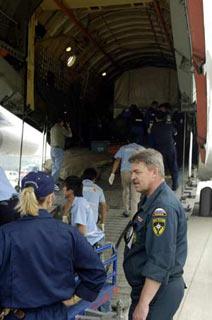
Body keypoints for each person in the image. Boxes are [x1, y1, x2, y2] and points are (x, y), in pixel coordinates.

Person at [0, 171, 106, 320]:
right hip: (55, 314)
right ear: (50, 198)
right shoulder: (67, 234)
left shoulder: (5, 233)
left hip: (18, 314)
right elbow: (97, 272)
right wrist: (75, 298)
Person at [123, 149, 187, 320]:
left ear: (154, 172)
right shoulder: (149, 200)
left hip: (158, 292)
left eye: (137, 172)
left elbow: (160, 259)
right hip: (150, 290)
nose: (132, 177)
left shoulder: (162, 208)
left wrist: (143, 304)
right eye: (132, 172)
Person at [63, 176, 105, 247]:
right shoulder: (78, 201)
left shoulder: (79, 205)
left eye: (64, 186)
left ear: (71, 190)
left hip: (92, 242)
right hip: (91, 240)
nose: (62, 189)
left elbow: (82, 231)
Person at [109, 140, 145, 217]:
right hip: (136, 172)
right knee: (135, 197)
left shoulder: (123, 148)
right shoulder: (142, 149)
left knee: (126, 190)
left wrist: (112, 173)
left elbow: (117, 160)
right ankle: (134, 217)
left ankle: (126, 211)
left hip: (124, 172)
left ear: (128, 141)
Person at [151, 107, 179, 190]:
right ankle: (175, 185)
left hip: (159, 150)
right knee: (173, 166)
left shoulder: (154, 127)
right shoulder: (169, 125)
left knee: (160, 167)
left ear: (156, 118)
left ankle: (160, 187)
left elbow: (151, 135)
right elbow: (176, 133)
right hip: (170, 148)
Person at [50, 117, 72, 190]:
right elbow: (70, 135)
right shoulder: (60, 128)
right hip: (58, 150)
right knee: (58, 168)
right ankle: (51, 184)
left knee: (54, 167)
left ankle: (54, 181)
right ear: (61, 122)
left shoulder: (52, 128)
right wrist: (68, 127)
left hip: (52, 149)